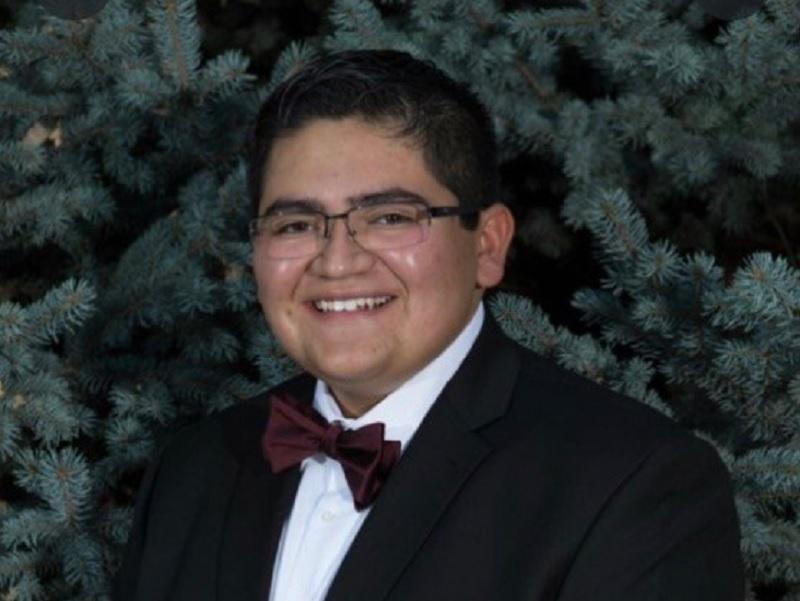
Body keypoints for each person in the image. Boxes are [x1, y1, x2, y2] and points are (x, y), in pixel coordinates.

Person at [113, 50, 744, 601]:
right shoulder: (193, 470)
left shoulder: (633, 482)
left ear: (487, 245)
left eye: (389, 217)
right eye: (296, 225)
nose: (337, 262)